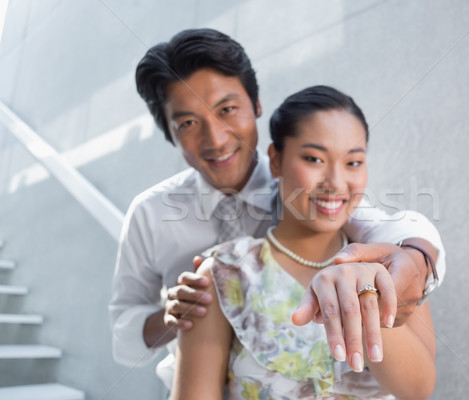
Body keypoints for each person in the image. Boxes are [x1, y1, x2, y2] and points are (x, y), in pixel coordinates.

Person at [109, 28, 445, 389]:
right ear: (170, 133)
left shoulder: (303, 191)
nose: (216, 138)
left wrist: (416, 257)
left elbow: (391, 227)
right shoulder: (151, 213)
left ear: (255, 105)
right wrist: (172, 316)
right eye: (188, 123)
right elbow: (123, 335)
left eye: (227, 110)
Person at [173, 85, 436, 399]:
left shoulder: (391, 264)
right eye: (314, 159)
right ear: (275, 159)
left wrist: (368, 294)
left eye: (353, 162)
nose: (336, 183)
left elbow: (419, 390)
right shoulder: (225, 275)